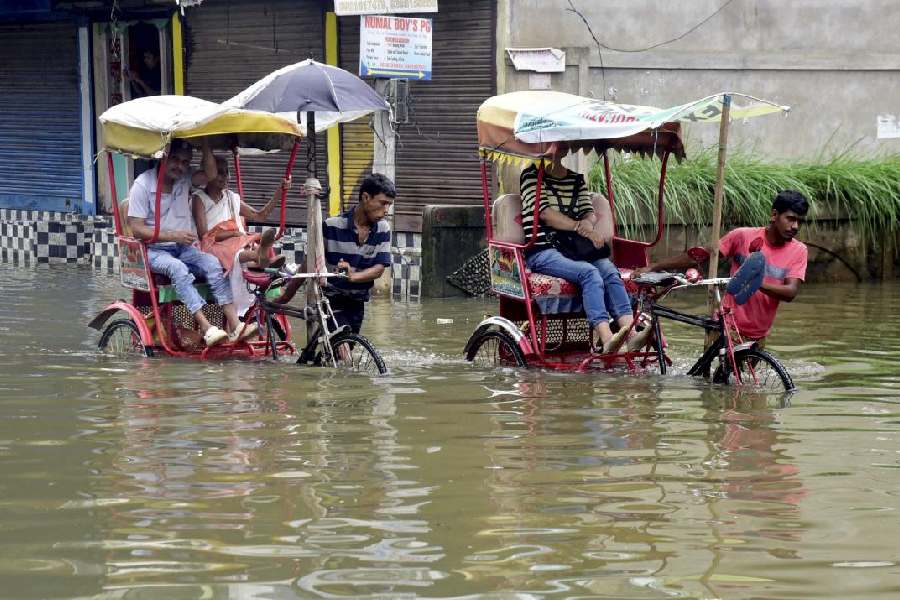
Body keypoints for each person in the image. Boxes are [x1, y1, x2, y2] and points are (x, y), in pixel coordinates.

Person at [634, 190, 810, 344]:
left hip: (758, 333)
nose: (795, 226)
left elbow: (790, 292)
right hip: (726, 323)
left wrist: (756, 283)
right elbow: (701, 256)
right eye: (791, 219)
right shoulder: (742, 236)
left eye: (799, 222)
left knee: (744, 381)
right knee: (717, 380)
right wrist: (655, 266)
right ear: (774, 215)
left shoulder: (799, 251)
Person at [127, 139, 252, 346]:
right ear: (163, 157)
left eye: (185, 162)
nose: (180, 166)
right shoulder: (143, 184)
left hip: (183, 248)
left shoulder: (184, 179)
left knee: (212, 263)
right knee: (177, 268)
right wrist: (172, 235)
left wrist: (205, 144)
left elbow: (211, 175)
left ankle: (235, 324)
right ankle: (206, 327)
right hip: (153, 250)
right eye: (175, 160)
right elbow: (137, 228)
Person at [520, 158, 647, 354]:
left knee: (608, 270)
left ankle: (630, 335)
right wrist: (580, 227)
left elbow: (588, 212)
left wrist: (588, 223)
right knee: (589, 273)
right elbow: (545, 213)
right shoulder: (531, 175)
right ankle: (607, 339)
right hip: (542, 249)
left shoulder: (576, 179)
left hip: (574, 248)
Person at [273, 173, 395, 334]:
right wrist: (287, 294)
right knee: (342, 349)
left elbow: (379, 268)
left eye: (389, 205)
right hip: (330, 299)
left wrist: (353, 276)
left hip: (357, 301)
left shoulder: (383, 228)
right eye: (383, 203)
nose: (386, 210)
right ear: (366, 197)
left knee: (344, 347)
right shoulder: (331, 226)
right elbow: (309, 262)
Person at [191, 155, 291, 316]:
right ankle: (260, 257)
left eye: (226, 172)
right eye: (219, 172)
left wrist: (280, 191)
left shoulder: (231, 197)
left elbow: (260, 216)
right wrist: (231, 233)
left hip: (236, 242)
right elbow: (204, 235)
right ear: (207, 174)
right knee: (238, 249)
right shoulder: (199, 198)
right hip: (210, 246)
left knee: (247, 242)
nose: (225, 177)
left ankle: (260, 257)